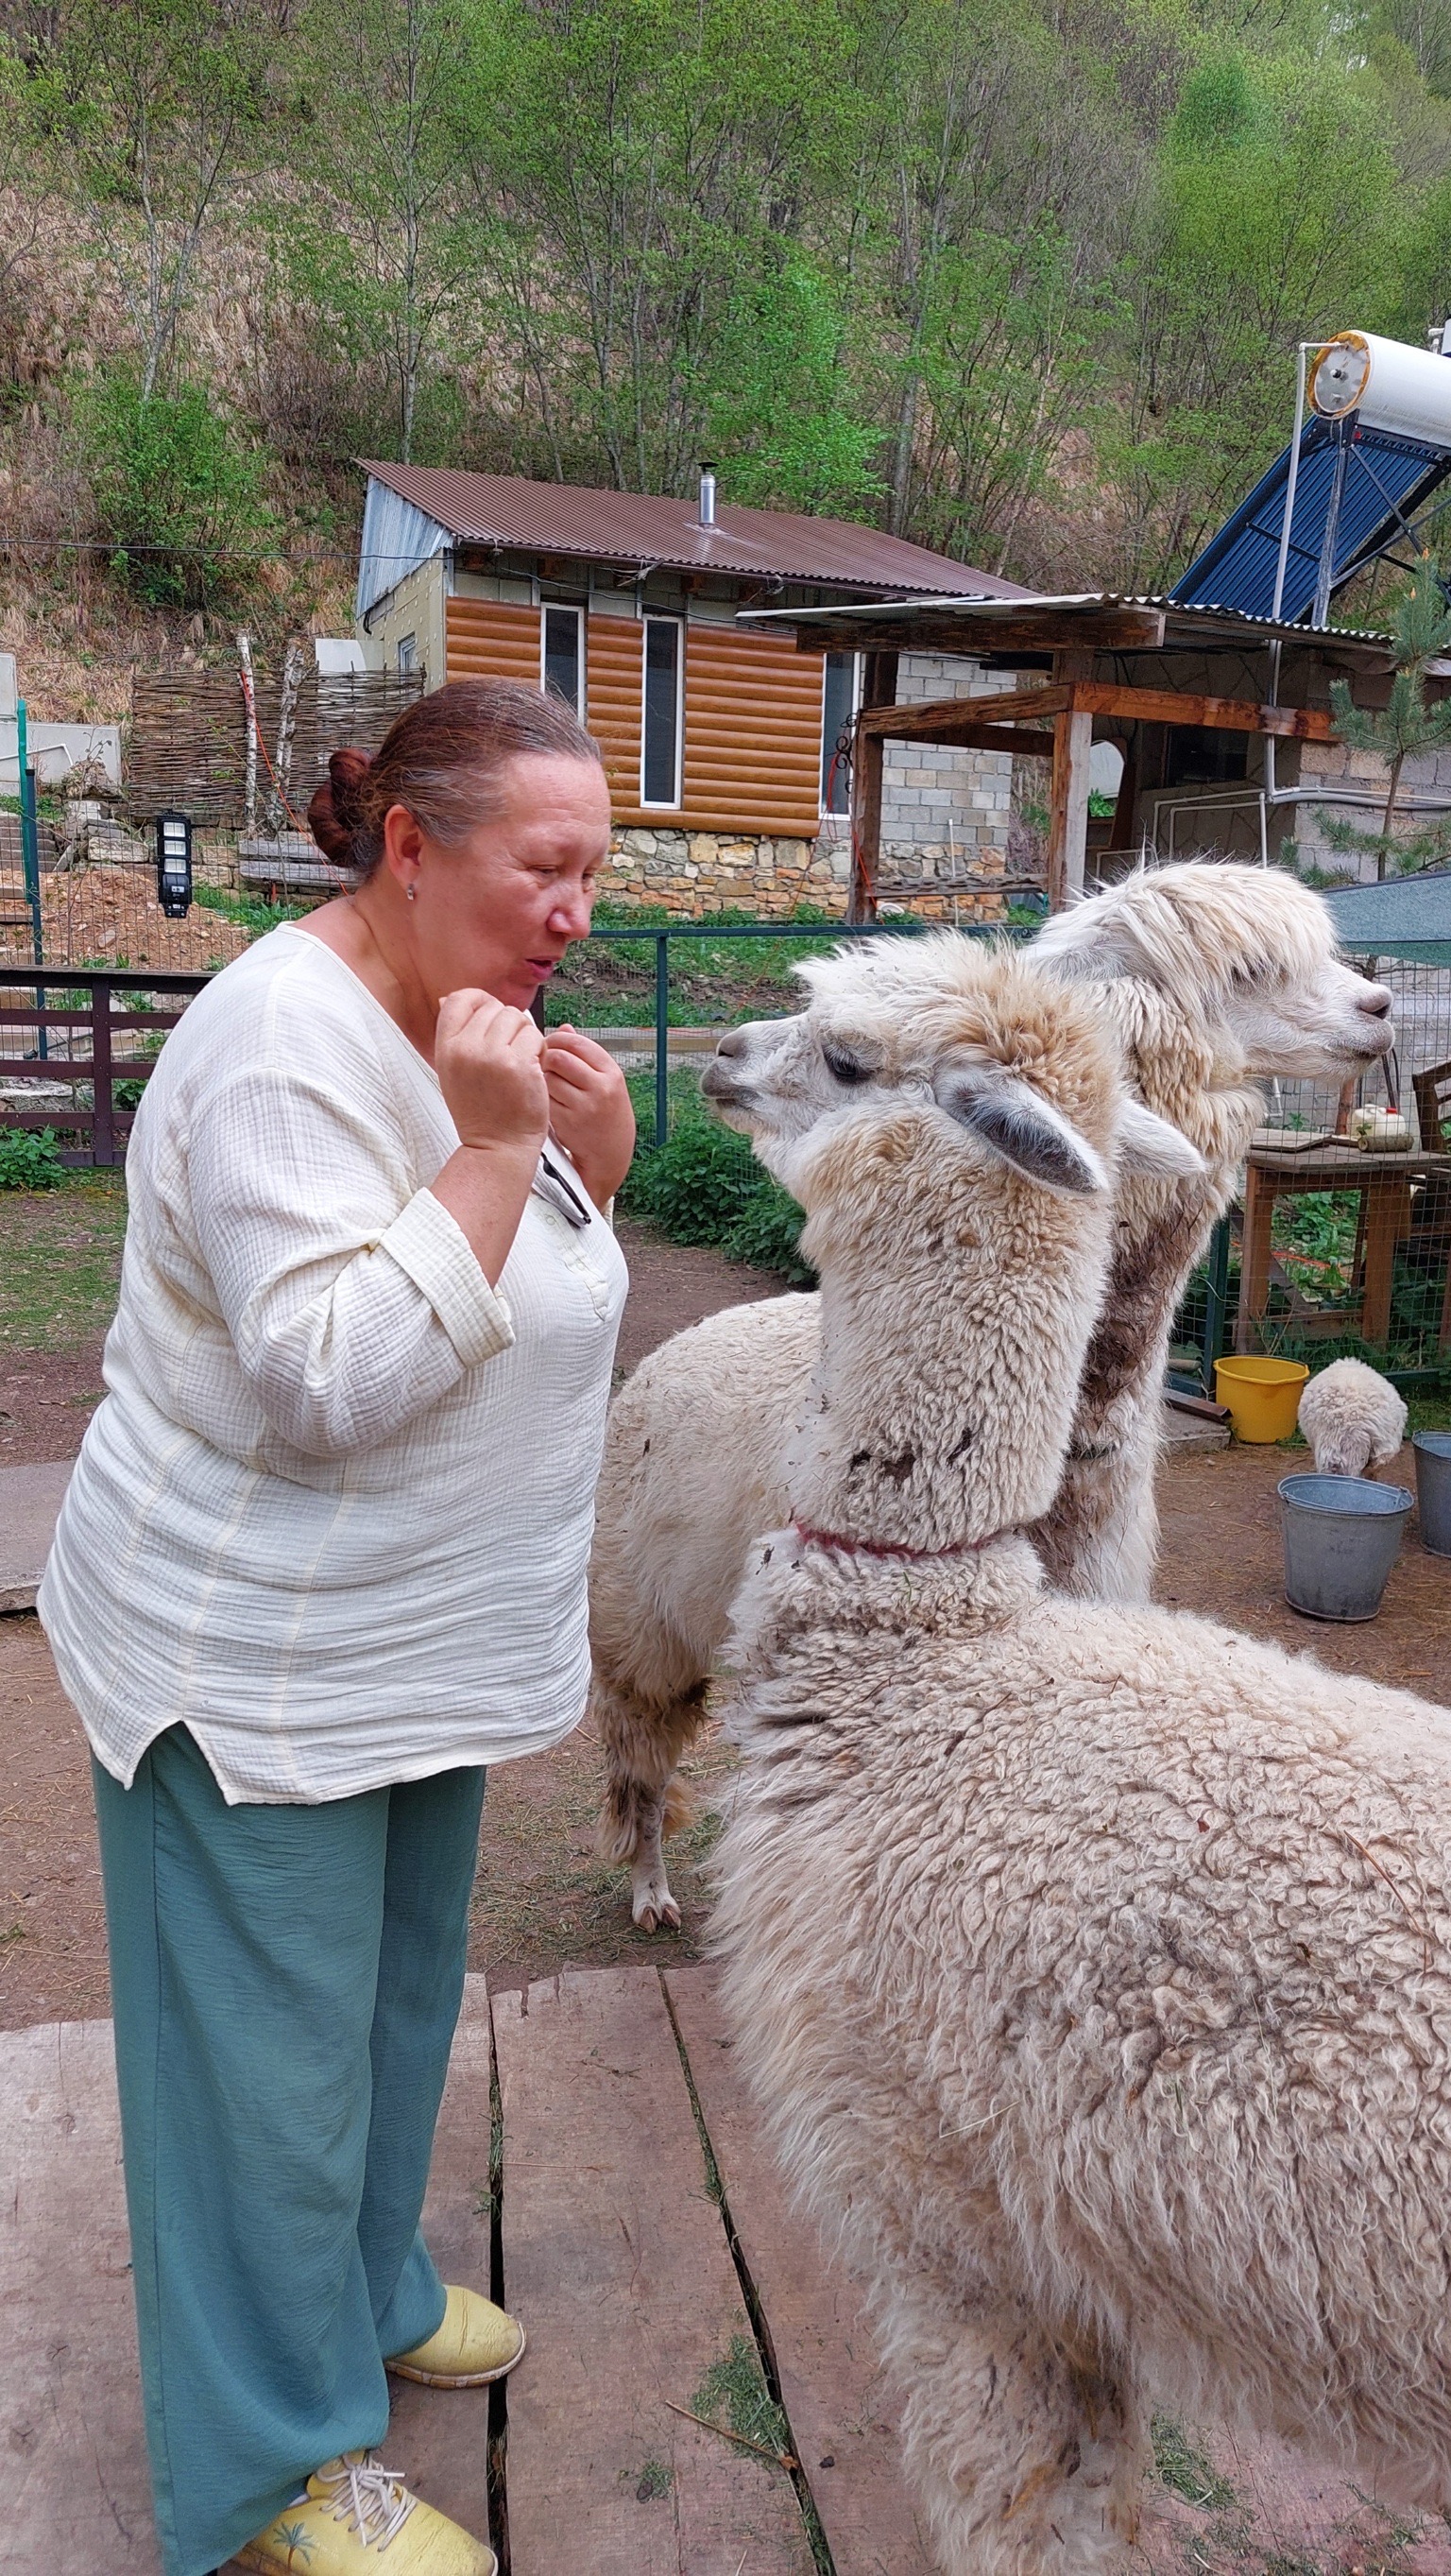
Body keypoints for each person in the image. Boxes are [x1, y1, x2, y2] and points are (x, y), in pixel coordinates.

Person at [39, 679, 635, 2576]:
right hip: (260, 1662)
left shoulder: (476, 1026)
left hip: (407, 1650)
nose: (577, 912)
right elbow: (327, 1377)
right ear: (408, 844)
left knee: (380, 2012)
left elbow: (516, 1291)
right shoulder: (278, 1046)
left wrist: (579, 1172)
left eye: (594, 874)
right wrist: (483, 1154)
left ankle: (365, 2279)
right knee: (261, 2075)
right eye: (546, 868)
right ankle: (275, 2466)